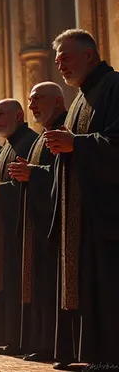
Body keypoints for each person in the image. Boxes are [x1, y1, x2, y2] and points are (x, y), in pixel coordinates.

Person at [46, 29, 119, 367]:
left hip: (107, 214)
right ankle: (93, 355)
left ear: (89, 55)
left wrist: (79, 144)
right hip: (81, 216)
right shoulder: (79, 100)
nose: (60, 65)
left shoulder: (115, 86)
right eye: (57, 60)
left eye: (66, 58)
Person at [7, 82, 70, 364]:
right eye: (30, 100)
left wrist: (34, 173)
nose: (32, 105)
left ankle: (59, 347)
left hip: (60, 225)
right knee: (42, 288)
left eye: (37, 99)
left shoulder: (67, 127)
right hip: (38, 225)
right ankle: (44, 344)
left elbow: (65, 171)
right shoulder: (39, 138)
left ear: (58, 101)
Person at [0, 99, 38, 355]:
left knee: (23, 287)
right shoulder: (5, 149)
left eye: (1, 114)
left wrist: (0, 193)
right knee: (9, 287)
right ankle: (11, 339)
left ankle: (26, 341)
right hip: (4, 232)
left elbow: (34, 183)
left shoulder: (30, 142)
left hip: (23, 232)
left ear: (18, 116)